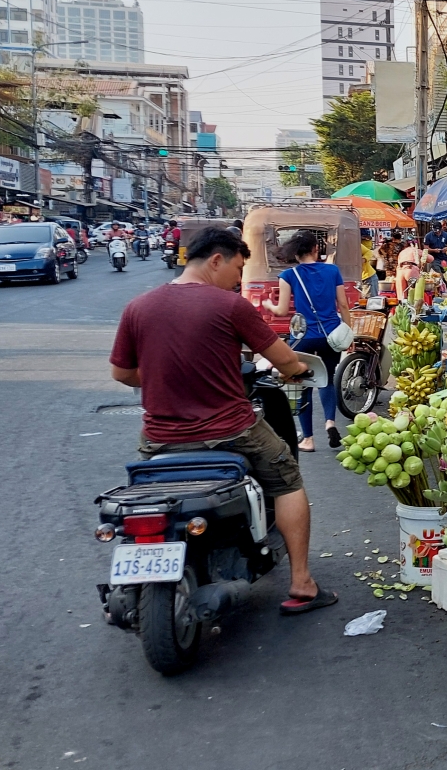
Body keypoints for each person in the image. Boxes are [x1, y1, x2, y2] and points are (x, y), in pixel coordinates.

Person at [109, 228, 336, 615]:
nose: (238, 279)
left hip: (159, 438)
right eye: (237, 267)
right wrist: (296, 368)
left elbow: (122, 374)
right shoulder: (229, 306)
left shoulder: (139, 306)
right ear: (216, 259)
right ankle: (301, 581)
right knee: (287, 479)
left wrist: (168, 373)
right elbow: (282, 359)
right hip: (231, 432)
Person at [272, 230, 348, 452]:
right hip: (331, 336)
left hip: (304, 337)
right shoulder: (332, 270)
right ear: (317, 249)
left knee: (304, 383)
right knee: (327, 378)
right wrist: (347, 332)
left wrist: (269, 307)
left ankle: (308, 439)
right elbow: (343, 304)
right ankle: (330, 423)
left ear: (295, 253)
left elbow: (282, 310)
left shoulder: (288, 275)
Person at [359, 229, 378, 297]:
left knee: (371, 303)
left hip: (367, 277)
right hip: (354, 280)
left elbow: (369, 252)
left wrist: (363, 259)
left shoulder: (355, 245)